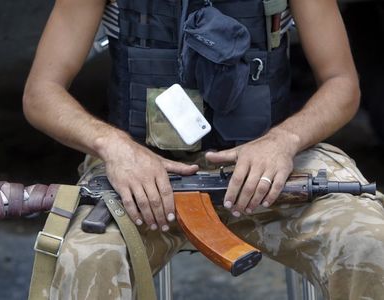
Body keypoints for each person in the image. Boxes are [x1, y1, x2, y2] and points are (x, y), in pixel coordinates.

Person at [23, 0, 384, 299]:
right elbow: (41, 92)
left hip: (274, 170)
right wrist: (114, 146)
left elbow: (341, 84)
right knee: (84, 260)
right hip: (141, 175)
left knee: (370, 242)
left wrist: (284, 140)